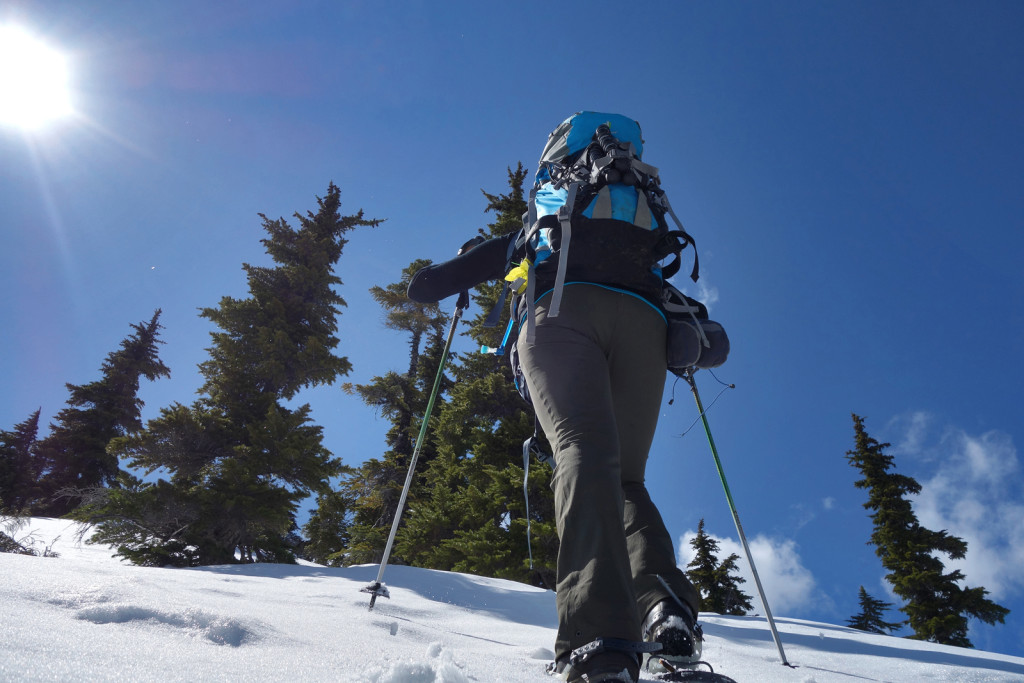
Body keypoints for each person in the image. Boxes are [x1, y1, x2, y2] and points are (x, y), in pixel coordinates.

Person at [408, 112, 702, 683]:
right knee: (628, 482)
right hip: (645, 326)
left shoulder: (546, 215)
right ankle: (665, 610)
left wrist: (435, 279)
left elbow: (432, 284)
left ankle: (599, 640)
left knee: (581, 449)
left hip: (564, 313)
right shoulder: (634, 208)